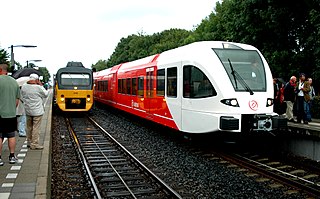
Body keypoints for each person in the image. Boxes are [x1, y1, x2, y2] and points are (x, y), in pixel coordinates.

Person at [21, 73, 49, 150]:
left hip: (28, 110)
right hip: (37, 111)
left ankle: (29, 142)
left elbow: (22, 96)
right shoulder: (38, 87)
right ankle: (34, 144)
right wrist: (41, 85)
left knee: (29, 127)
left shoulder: (24, 86)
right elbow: (46, 94)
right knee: (36, 128)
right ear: (37, 80)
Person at [0, 63, 20, 165]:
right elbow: (17, 101)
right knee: (11, 135)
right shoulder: (14, 82)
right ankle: (12, 156)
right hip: (11, 114)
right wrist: (11, 108)